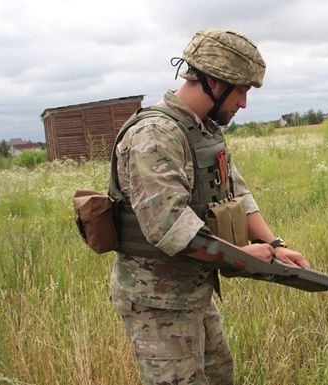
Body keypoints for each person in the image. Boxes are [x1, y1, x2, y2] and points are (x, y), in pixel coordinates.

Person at [109, 28, 310, 385]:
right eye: (242, 90)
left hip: (195, 290)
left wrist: (276, 246)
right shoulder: (155, 134)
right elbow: (171, 229)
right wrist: (244, 255)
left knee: (220, 377)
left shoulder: (204, 131)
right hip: (158, 301)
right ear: (214, 82)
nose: (244, 103)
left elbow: (238, 195)